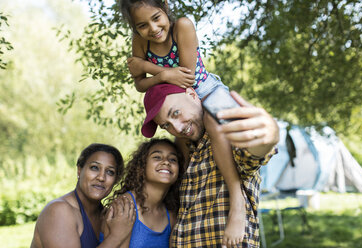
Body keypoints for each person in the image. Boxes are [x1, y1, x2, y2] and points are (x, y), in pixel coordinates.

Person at [119, 0, 248, 244]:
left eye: (157, 17)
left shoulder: (183, 27)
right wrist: (165, 74)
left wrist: (146, 66)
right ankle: (181, 214)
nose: (153, 28)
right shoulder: (140, 40)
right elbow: (139, 85)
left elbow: (186, 78)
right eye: (142, 25)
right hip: (176, 102)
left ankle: (237, 200)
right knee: (182, 156)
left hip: (204, 90)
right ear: (135, 28)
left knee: (213, 122)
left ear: (165, 7)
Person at [141, 83, 279, 248]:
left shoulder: (225, 136)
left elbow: (253, 153)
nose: (177, 128)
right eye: (166, 125)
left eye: (176, 113)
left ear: (192, 95)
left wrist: (269, 135)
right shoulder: (182, 154)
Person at [31, 143, 135, 248]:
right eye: (94, 168)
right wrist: (116, 236)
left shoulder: (106, 216)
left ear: (115, 180)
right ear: (79, 170)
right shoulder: (59, 211)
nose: (101, 177)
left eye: (110, 172)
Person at [107, 138, 185, 248]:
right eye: (157, 157)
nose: (166, 162)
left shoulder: (171, 215)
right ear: (142, 166)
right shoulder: (124, 205)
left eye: (173, 159)